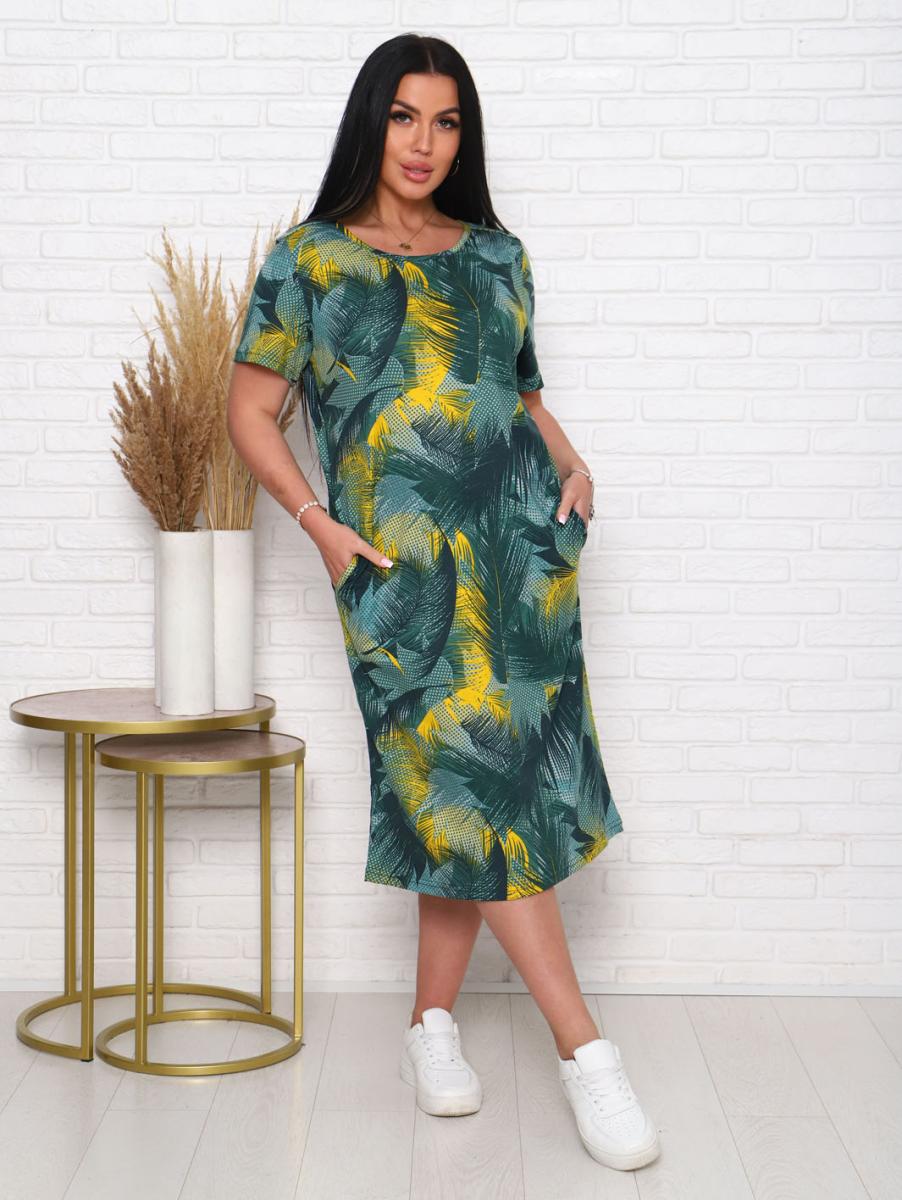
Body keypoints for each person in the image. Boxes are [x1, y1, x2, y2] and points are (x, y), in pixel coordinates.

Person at [228, 32, 659, 1174]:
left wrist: (571, 461)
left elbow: (518, 393)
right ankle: (586, 1052)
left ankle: (429, 1026)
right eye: (405, 116)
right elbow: (248, 412)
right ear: (371, 122)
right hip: (397, 573)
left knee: (468, 791)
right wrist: (317, 523)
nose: (424, 143)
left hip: (519, 555)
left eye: (447, 121)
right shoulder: (309, 260)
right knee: (471, 780)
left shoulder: (498, 256)